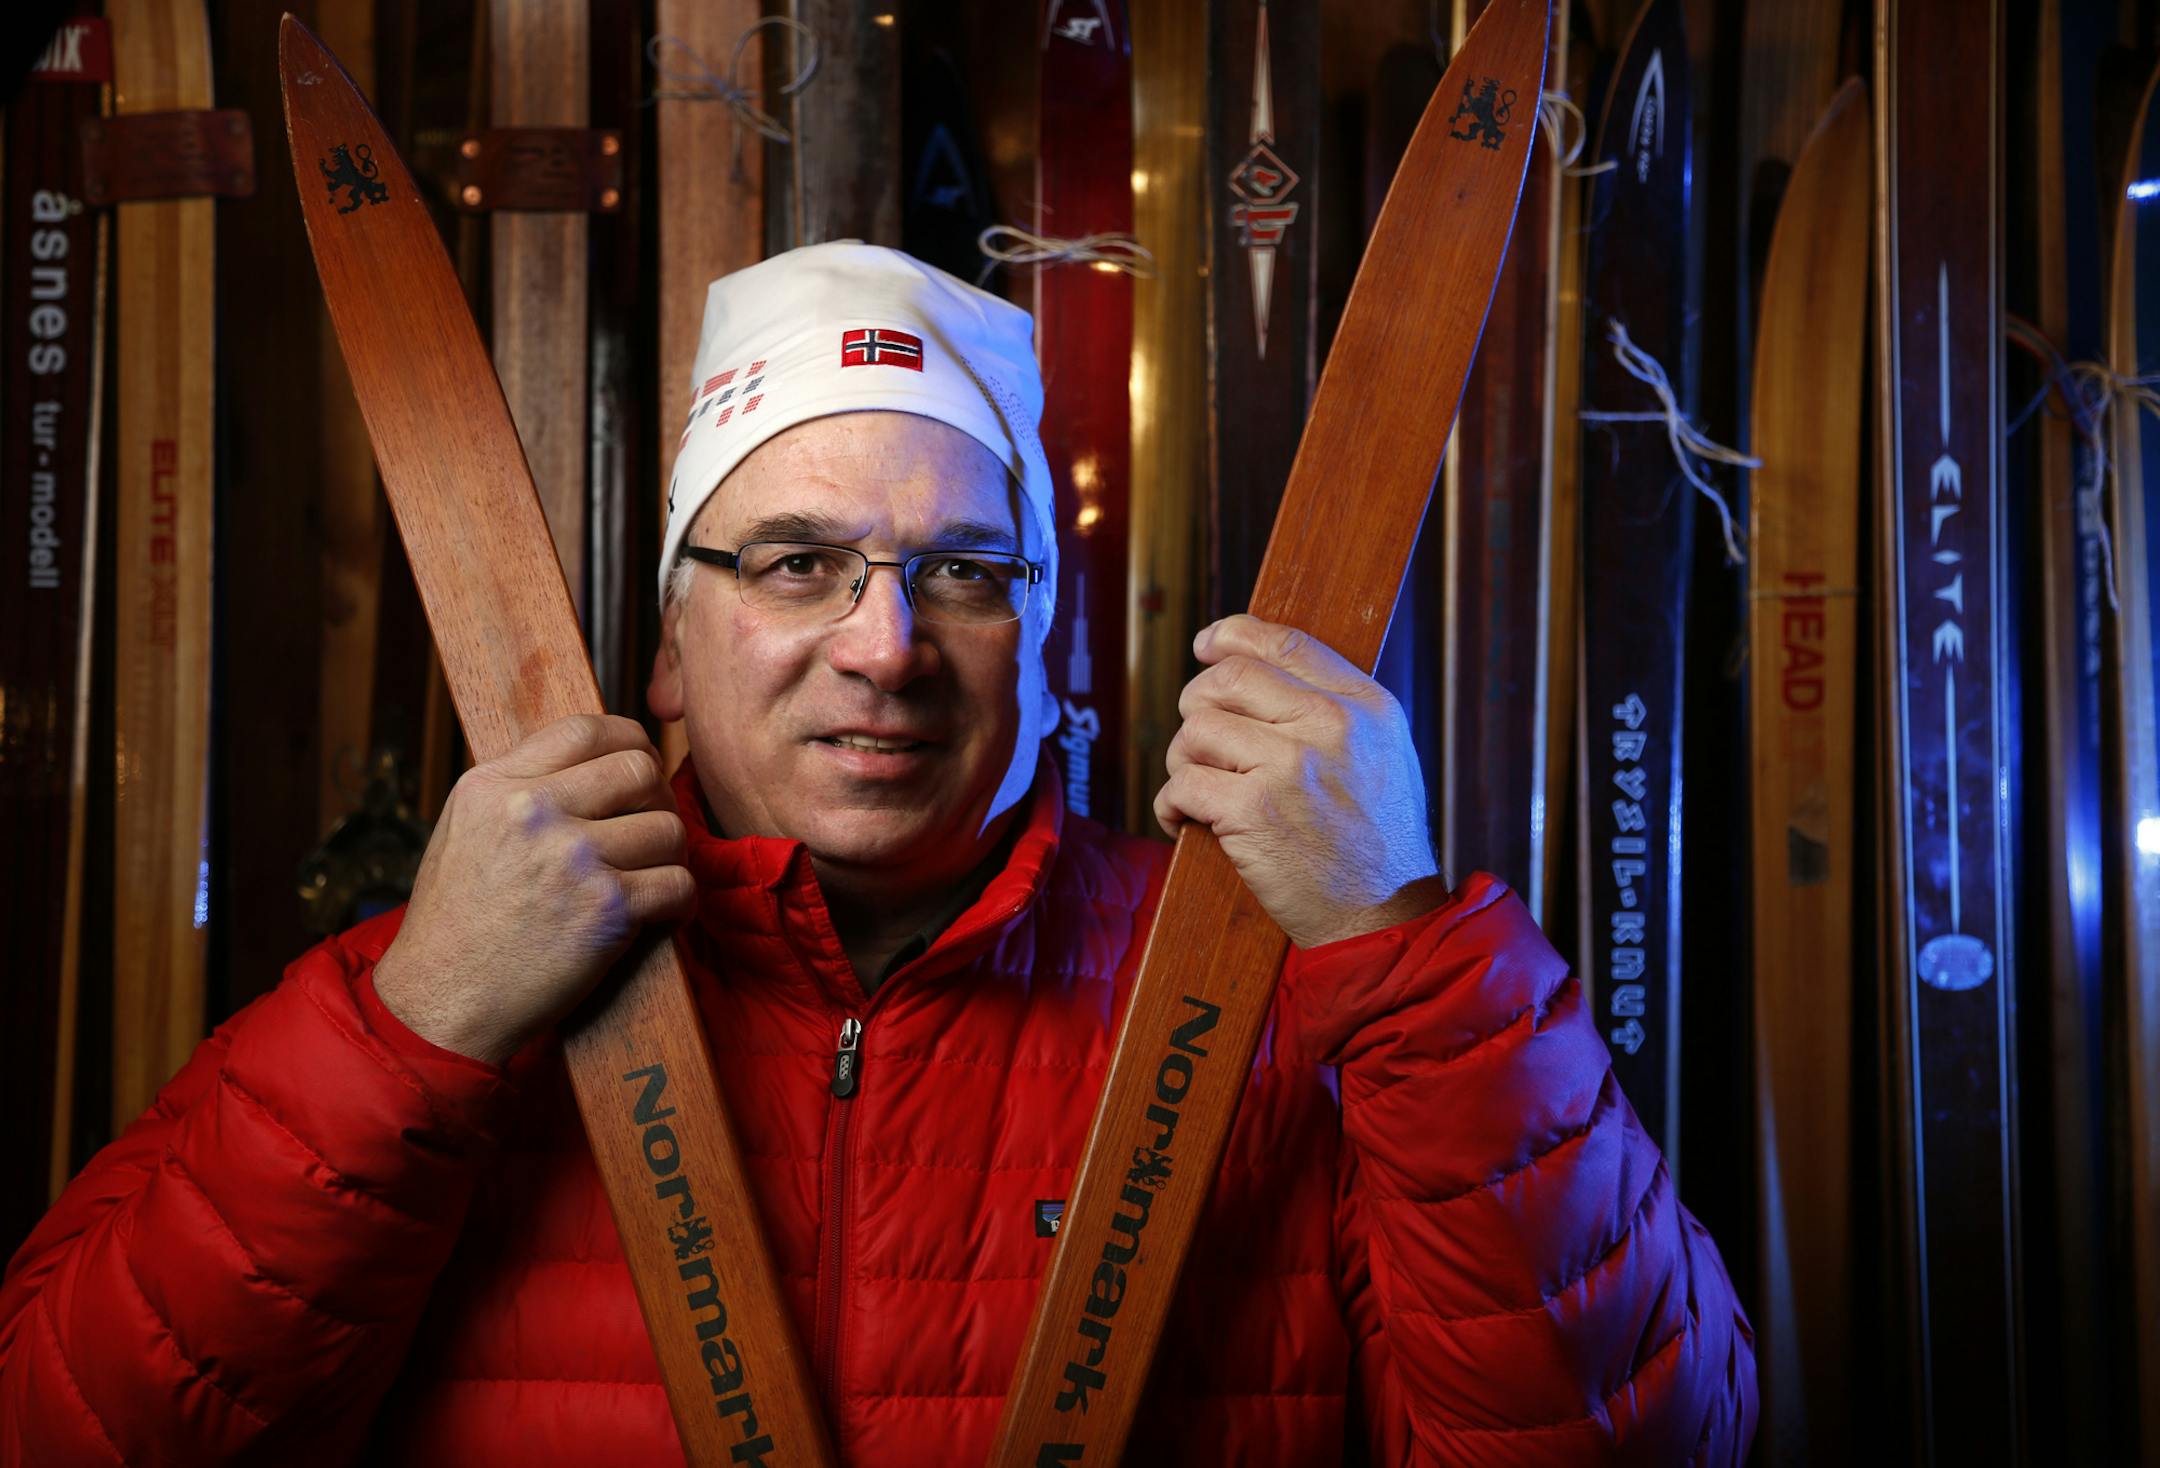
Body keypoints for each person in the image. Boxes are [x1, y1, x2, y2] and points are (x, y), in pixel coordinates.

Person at [0, 243, 1755, 1465]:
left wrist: (1406, 949)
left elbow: (1652, 1452)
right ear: (672, 648)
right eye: (792, 562)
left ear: (1051, 645)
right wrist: (417, 1029)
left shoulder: (1311, 1002)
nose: (887, 645)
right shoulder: (437, 988)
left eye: (968, 574)